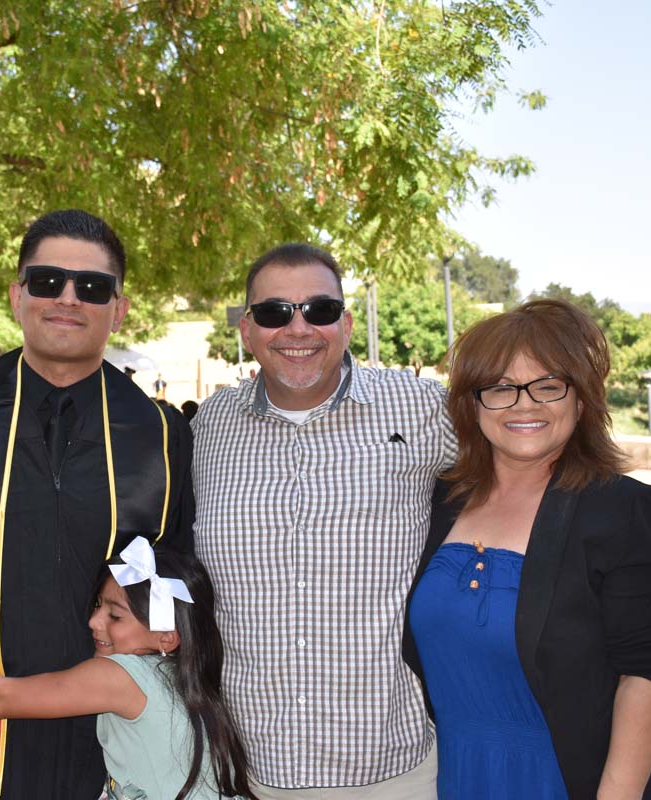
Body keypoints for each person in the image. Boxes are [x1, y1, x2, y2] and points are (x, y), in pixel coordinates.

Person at [0, 209, 195, 800]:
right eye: (47, 281)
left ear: (120, 308)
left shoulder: (161, 434)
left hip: (113, 729)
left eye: (92, 287)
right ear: (17, 296)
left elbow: (176, 583)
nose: (68, 299)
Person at [191, 243, 456, 798]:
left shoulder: (423, 410)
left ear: (346, 322)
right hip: (248, 772)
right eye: (274, 312)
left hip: (395, 771)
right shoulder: (209, 428)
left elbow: (527, 466)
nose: (298, 327)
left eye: (319, 310)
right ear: (247, 329)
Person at [402, 299, 651, 799]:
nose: (524, 404)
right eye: (500, 388)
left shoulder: (624, 510)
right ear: (472, 403)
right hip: (448, 777)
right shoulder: (441, 501)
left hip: (560, 781)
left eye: (548, 385)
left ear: (581, 400)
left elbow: (648, 674)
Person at [0, 537, 254, 800]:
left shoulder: (120, 677)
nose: (93, 622)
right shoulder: (183, 680)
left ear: (166, 636)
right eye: (97, 605)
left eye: (115, 615)